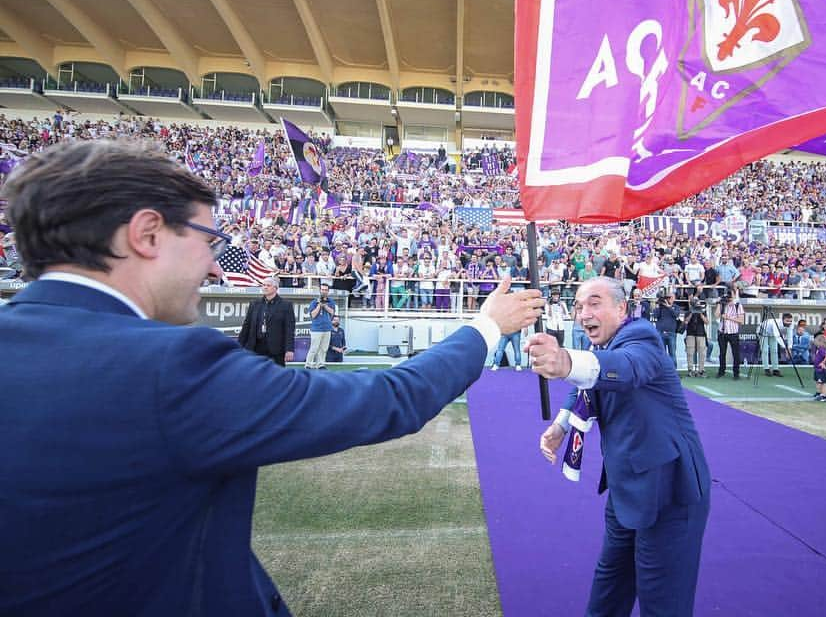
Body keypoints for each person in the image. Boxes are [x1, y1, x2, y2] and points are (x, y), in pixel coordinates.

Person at [0, 140, 546, 615]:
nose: (216, 267)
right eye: (209, 242)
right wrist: (486, 327)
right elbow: (388, 401)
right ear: (146, 234)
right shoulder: (172, 366)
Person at [525, 277, 710, 617]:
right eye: (579, 306)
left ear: (622, 308)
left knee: (662, 601)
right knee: (609, 589)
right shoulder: (602, 347)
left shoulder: (641, 338)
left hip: (670, 491)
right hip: (627, 487)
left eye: (594, 303)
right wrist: (560, 425)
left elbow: (624, 369)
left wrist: (565, 362)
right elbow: (587, 384)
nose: (584, 313)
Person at [239, 276, 296, 365]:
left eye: (268, 285)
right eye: (263, 285)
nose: (265, 287)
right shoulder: (254, 304)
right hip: (255, 348)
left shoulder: (286, 305)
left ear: (275, 288)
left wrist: (289, 349)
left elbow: (289, 329)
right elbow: (246, 326)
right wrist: (239, 345)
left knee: (276, 377)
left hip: (276, 350)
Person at [305, 282, 336, 369]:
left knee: (324, 348)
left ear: (328, 291)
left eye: (326, 290)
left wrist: (325, 306)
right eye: (322, 289)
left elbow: (332, 312)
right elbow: (313, 315)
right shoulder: (314, 302)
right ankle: (308, 364)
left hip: (327, 328)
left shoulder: (331, 301)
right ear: (320, 290)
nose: (324, 291)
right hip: (316, 328)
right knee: (314, 348)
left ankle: (321, 364)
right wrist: (319, 305)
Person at [715, 289, 744, 380]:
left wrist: (728, 318)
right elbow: (716, 315)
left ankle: (736, 373)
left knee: (736, 354)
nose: (729, 298)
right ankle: (721, 371)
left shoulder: (738, 305)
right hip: (722, 332)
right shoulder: (722, 304)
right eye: (728, 296)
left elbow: (741, 320)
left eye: (730, 296)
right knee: (722, 353)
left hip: (733, 333)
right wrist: (719, 304)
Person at [652, 291, 681, 365]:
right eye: (668, 297)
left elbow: (676, 315)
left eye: (671, 297)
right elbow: (655, 315)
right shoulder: (660, 307)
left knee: (672, 353)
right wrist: (658, 305)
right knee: (662, 353)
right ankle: (664, 373)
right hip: (661, 332)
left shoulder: (676, 307)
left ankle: (673, 372)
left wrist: (669, 307)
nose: (669, 299)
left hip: (671, 333)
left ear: (674, 298)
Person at [683, 296, 708, 378]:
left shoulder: (703, 311)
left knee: (702, 353)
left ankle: (701, 370)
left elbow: (707, 322)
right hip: (690, 333)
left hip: (701, 333)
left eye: (697, 302)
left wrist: (700, 313)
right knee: (690, 352)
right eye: (695, 302)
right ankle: (690, 370)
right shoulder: (688, 312)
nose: (697, 304)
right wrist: (691, 312)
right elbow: (686, 322)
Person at [811, 333, 826, 402]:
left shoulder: (822, 349)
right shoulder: (819, 349)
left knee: (823, 382)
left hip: (821, 370)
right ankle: (819, 393)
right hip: (817, 369)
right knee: (818, 381)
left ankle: (824, 395)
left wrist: (823, 362)